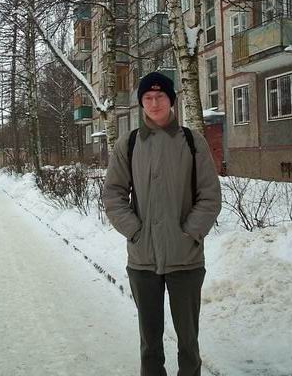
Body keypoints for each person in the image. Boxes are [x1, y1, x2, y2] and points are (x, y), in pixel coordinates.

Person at [103, 72, 222, 376]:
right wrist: (135, 231)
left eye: (160, 96)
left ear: (172, 100)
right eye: (147, 97)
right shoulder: (128, 144)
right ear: (141, 103)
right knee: (150, 343)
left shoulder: (192, 142)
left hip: (186, 259)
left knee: (188, 343)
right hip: (143, 261)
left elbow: (209, 196)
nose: (154, 102)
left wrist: (189, 233)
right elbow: (114, 194)